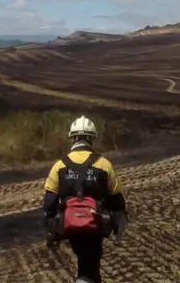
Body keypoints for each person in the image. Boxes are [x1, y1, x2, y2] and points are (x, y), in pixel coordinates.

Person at [42, 115, 128, 283]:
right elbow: (117, 200)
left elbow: (49, 202)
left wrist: (52, 232)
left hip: (69, 225)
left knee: (87, 264)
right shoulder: (104, 164)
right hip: (95, 224)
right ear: (92, 138)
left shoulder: (59, 165)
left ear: (72, 138)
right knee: (89, 267)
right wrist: (118, 227)